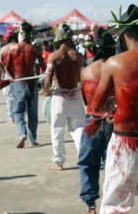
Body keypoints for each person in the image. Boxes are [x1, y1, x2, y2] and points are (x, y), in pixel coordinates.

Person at [92, 4, 138, 214]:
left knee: (116, 201)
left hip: (126, 141)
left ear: (124, 33)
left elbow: (96, 105)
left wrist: (114, 103)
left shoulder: (115, 63)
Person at [77, 27, 115, 214]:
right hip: (114, 121)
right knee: (111, 164)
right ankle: (109, 203)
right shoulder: (118, 68)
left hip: (92, 119)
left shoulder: (86, 71)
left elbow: (86, 101)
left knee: (87, 163)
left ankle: (90, 205)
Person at [44, 23, 85, 171]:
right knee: (79, 128)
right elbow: (81, 78)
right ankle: (83, 157)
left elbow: (48, 80)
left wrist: (45, 90)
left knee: (57, 129)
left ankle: (59, 162)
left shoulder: (54, 56)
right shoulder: (78, 56)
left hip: (60, 96)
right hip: (75, 94)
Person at [5, 21, 46, 148]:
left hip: (19, 81)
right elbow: (44, 67)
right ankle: (32, 139)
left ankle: (22, 133)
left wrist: (13, 77)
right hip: (32, 81)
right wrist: (42, 81)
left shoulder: (13, 49)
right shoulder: (35, 49)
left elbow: (7, 67)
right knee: (32, 112)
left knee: (17, 111)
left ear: (21, 34)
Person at [0, 32, 18, 122]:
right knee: (20, 95)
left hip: (8, 74)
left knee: (9, 96)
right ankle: (19, 115)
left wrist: (2, 75)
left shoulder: (3, 49)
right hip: (20, 73)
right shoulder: (19, 47)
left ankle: (10, 116)